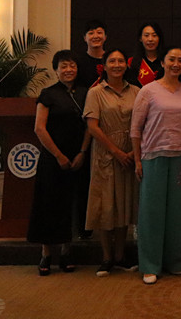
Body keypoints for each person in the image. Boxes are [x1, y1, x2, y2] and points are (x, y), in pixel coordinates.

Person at [131, 46, 181, 285]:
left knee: (178, 213)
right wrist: (137, 160)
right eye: (171, 59)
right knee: (152, 212)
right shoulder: (148, 90)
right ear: (163, 62)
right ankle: (150, 265)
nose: (176, 64)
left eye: (180, 60)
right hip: (153, 156)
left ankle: (176, 262)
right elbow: (135, 129)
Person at [27, 50, 90, 276]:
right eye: (63, 66)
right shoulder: (48, 94)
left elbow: (90, 126)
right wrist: (58, 155)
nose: (68, 70)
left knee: (71, 204)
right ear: (56, 70)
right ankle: (46, 254)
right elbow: (39, 128)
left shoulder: (86, 93)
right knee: (49, 204)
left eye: (72, 65)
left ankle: (66, 251)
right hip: (52, 158)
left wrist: (82, 152)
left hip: (78, 158)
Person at [84, 49, 140, 277]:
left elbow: (143, 122)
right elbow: (92, 127)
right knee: (106, 206)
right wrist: (116, 152)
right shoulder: (95, 92)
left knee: (124, 205)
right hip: (106, 155)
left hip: (130, 155)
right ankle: (106, 257)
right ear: (104, 66)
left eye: (120, 61)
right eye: (112, 61)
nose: (117, 65)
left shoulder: (136, 91)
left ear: (126, 65)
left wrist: (132, 152)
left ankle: (120, 256)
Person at [74, 19, 107, 239]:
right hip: (84, 124)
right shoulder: (77, 62)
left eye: (99, 32)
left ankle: (107, 223)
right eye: (91, 32)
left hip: (109, 122)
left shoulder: (112, 59)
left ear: (105, 36)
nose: (95, 36)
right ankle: (83, 226)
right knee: (84, 178)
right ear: (84, 38)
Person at [126, 22, 165, 87]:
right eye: (146, 35)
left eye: (154, 35)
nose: (150, 39)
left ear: (159, 38)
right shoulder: (131, 62)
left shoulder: (166, 61)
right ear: (140, 38)